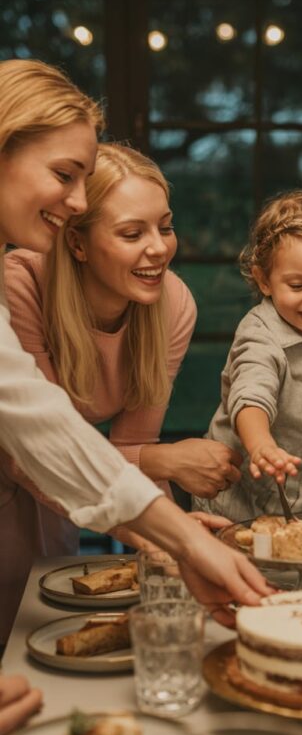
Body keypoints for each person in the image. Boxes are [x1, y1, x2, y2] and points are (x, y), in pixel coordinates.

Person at [0, 58, 270, 733]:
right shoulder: (21, 276)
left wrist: (169, 537)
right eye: (64, 175)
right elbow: (37, 432)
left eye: (81, 181)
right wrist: (175, 527)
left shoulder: (168, 304)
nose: (74, 203)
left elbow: (55, 441)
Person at [0, 142, 242, 643]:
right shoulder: (20, 282)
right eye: (133, 233)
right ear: (78, 244)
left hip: (66, 488)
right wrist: (165, 464)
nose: (159, 248)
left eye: (165, 226)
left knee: (54, 628)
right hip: (15, 483)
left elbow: (133, 446)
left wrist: (170, 557)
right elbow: (29, 455)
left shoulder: (173, 302)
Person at [195, 190, 302, 522]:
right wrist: (260, 446)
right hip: (232, 503)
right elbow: (250, 396)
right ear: (264, 280)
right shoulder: (260, 333)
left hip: (296, 502)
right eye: (297, 286)